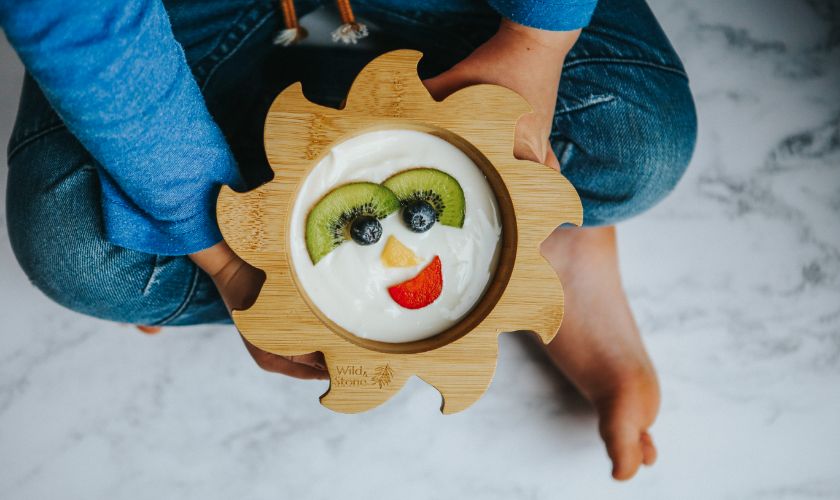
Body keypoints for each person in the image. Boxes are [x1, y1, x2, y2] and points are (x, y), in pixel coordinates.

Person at [0, 0, 696, 480]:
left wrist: (535, 43)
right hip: (174, 28)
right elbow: (81, 22)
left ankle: (549, 241)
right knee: (73, 248)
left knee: (642, 134)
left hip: (462, 14)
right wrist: (217, 250)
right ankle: (203, 240)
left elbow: (545, 41)